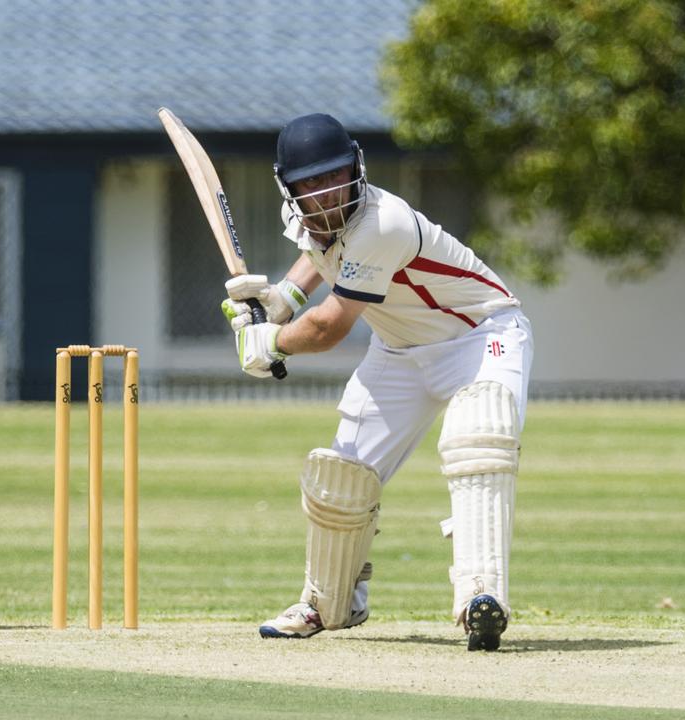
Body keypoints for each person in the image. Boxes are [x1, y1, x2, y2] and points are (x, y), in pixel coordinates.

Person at [221, 114, 533, 651]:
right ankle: (327, 604)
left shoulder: (381, 222)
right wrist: (282, 301)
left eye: (334, 176)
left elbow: (328, 330)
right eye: (311, 183)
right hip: (399, 350)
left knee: (477, 439)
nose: (325, 193)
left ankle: (482, 596)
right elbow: (318, 256)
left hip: (478, 337)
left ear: (356, 167)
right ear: (289, 188)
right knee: (340, 477)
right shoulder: (308, 216)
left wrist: (269, 343)